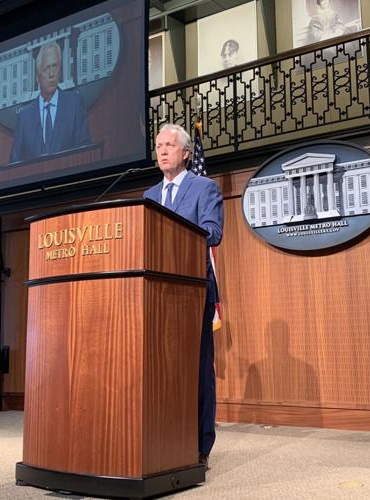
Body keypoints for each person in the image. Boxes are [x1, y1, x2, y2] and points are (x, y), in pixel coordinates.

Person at [144, 123, 224, 466]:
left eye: (170, 145)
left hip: (193, 292)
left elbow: (213, 232)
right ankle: (165, 439)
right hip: (155, 294)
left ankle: (200, 446)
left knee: (197, 371)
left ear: (186, 153)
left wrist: (174, 235)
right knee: (162, 370)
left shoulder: (204, 187)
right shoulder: (148, 197)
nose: (162, 151)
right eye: (159, 145)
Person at [9, 42, 91, 163]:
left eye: (55, 66)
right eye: (46, 68)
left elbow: (86, 151)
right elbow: (15, 163)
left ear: (60, 70)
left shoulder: (74, 103)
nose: (51, 74)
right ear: (38, 77)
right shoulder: (25, 117)